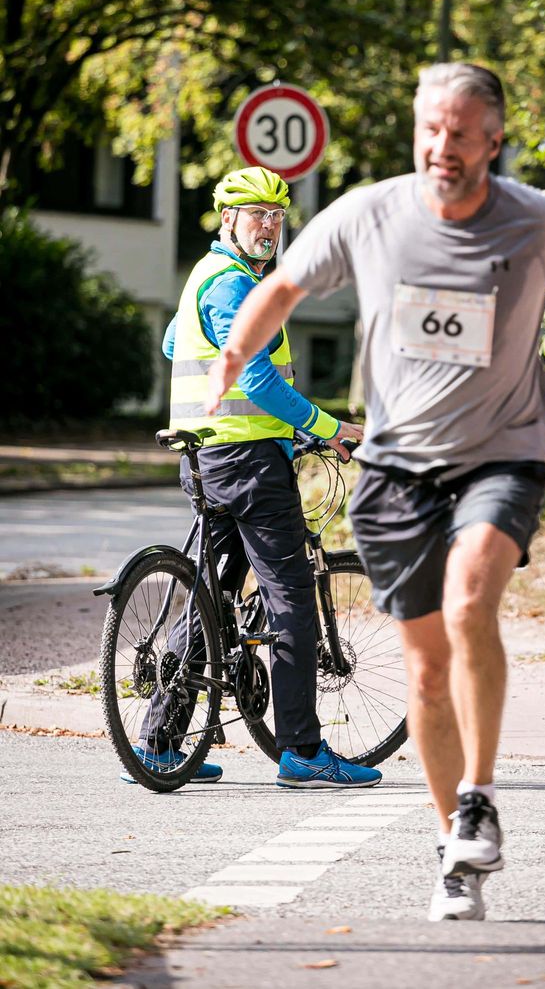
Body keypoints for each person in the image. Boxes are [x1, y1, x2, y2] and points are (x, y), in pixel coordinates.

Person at [205, 65, 545, 918]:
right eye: (430, 130)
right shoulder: (371, 213)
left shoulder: (541, 219)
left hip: (503, 454)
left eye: (462, 133)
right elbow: (283, 285)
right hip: (398, 468)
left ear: (493, 141)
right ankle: (455, 848)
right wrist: (230, 357)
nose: (443, 147)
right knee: (427, 671)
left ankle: (478, 795)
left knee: (473, 602)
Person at [123, 164, 380, 790]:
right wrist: (327, 427)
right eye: (255, 214)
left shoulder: (207, 280)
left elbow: (172, 346)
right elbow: (259, 380)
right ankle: (302, 750)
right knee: (290, 592)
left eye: (276, 215)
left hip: (213, 460)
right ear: (227, 218)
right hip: (248, 465)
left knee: (212, 594)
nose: (268, 226)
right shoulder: (232, 285)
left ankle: (159, 742)